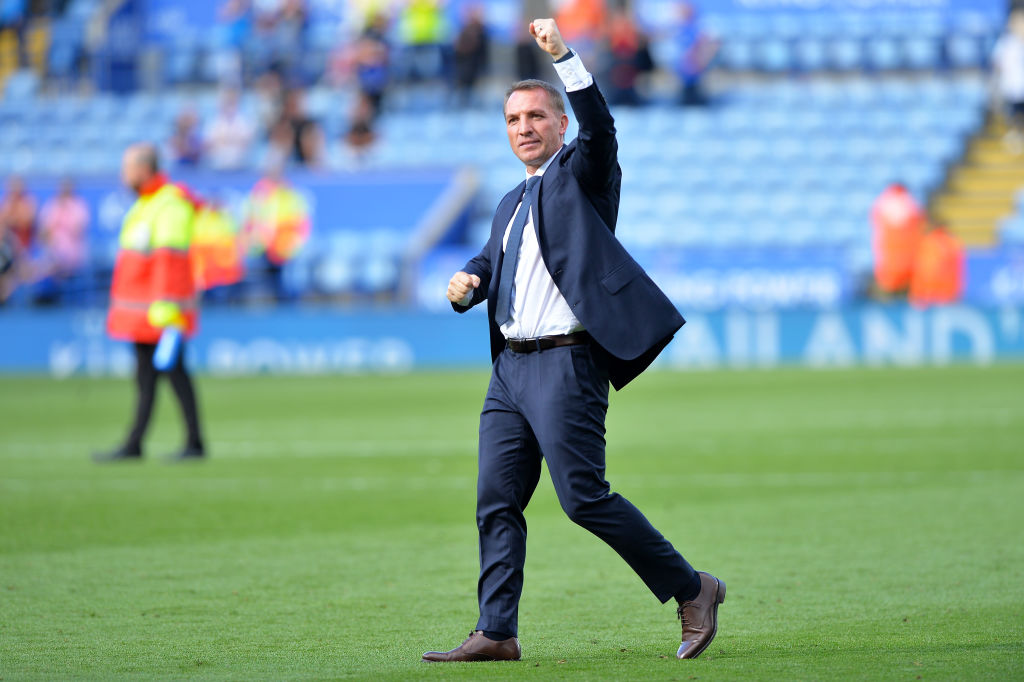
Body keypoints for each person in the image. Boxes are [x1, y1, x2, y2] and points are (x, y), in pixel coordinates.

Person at [424, 18, 724, 664]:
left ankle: (693, 587)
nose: (524, 128)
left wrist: (563, 57)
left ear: (559, 125)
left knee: (583, 498)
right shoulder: (509, 202)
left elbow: (602, 129)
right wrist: (467, 281)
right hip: (510, 371)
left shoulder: (584, 176)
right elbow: (488, 262)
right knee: (496, 501)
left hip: (566, 361)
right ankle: (497, 630)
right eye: (512, 120)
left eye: (536, 116)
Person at [93, 144, 206, 462]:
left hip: (159, 313)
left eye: (127, 168)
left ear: (144, 170)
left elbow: (170, 260)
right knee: (155, 376)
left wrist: (166, 309)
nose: (123, 175)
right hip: (144, 313)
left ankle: (178, 442)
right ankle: (144, 442)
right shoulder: (147, 204)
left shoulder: (167, 205)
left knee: (168, 374)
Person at [871, 182, 925, 296]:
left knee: (887, 303)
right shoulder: (913, 205)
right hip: (911, 264)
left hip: (888, 264)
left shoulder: (882, 204)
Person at [908, 224, 964, 308]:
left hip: (928, 295)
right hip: (947, 295)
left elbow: (924, 270)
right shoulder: (953, 242)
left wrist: (916, 294)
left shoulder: (927, 242)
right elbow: (958, 271)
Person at [992, 10, 1024, 154]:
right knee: (1014, 115)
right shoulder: (1006, 43)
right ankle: (1016, 137)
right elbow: (998, 64)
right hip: (1013, 87)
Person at [204, 88, 256, 171]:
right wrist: (230, 139)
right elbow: (208, 142)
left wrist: (226, 140)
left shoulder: (245, 121)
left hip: (239, 162)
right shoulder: (213, 121)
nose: (230, 105)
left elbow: (246, 141)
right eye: (228, 101)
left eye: (232, 102)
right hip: (218, 162)